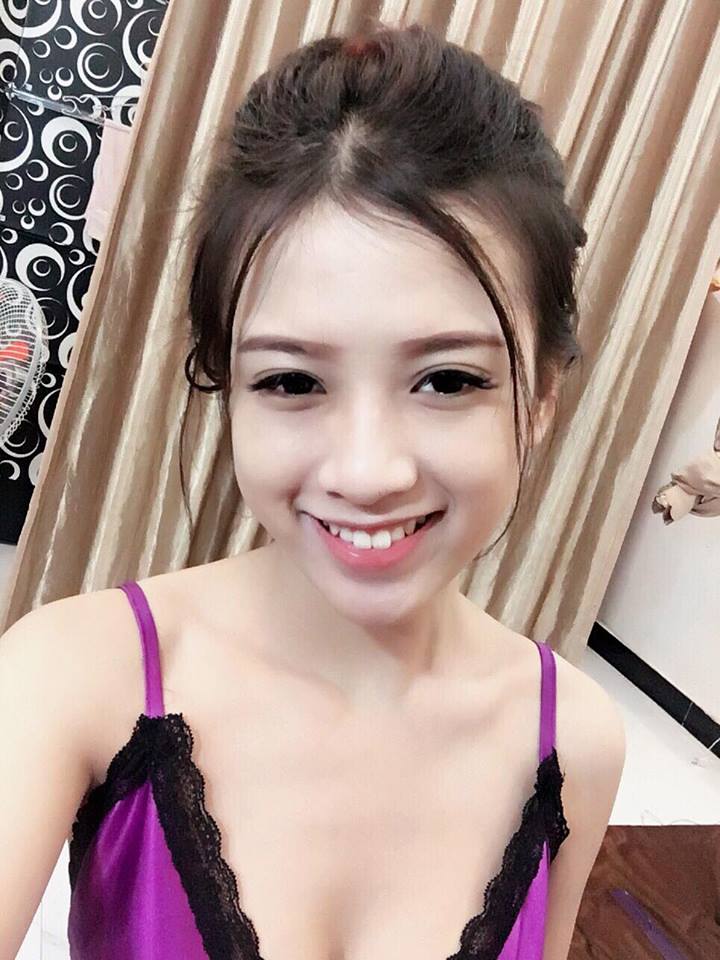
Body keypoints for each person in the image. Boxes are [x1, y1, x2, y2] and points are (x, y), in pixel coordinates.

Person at [0, 21, 626, 960]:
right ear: (228, 388)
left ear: (539, 399)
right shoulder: (71, 676)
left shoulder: (575, 743)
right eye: (292, 381)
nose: (367, 473)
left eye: (448, 380)